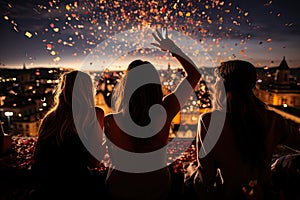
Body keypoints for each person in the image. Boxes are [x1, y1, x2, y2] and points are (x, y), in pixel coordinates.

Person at [104, 28, 201, 200]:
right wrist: (173, 48)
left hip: (121, 185)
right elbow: (194, 74)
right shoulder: (165, 111)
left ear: (126, 87)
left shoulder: (111, 120)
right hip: (155, 183)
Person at [194, 60, 300, 200]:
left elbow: (205, 177)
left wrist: (191, 172)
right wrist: (284, 161)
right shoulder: (272, 120)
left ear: (221, 85)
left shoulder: (209, 121)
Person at [31, 70, 105, 199]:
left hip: (47, 187)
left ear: (63, 90)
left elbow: (38, 157)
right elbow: (94, 162)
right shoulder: (94, 114)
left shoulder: (50, 118)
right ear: (88, 90)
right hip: (77, 186)